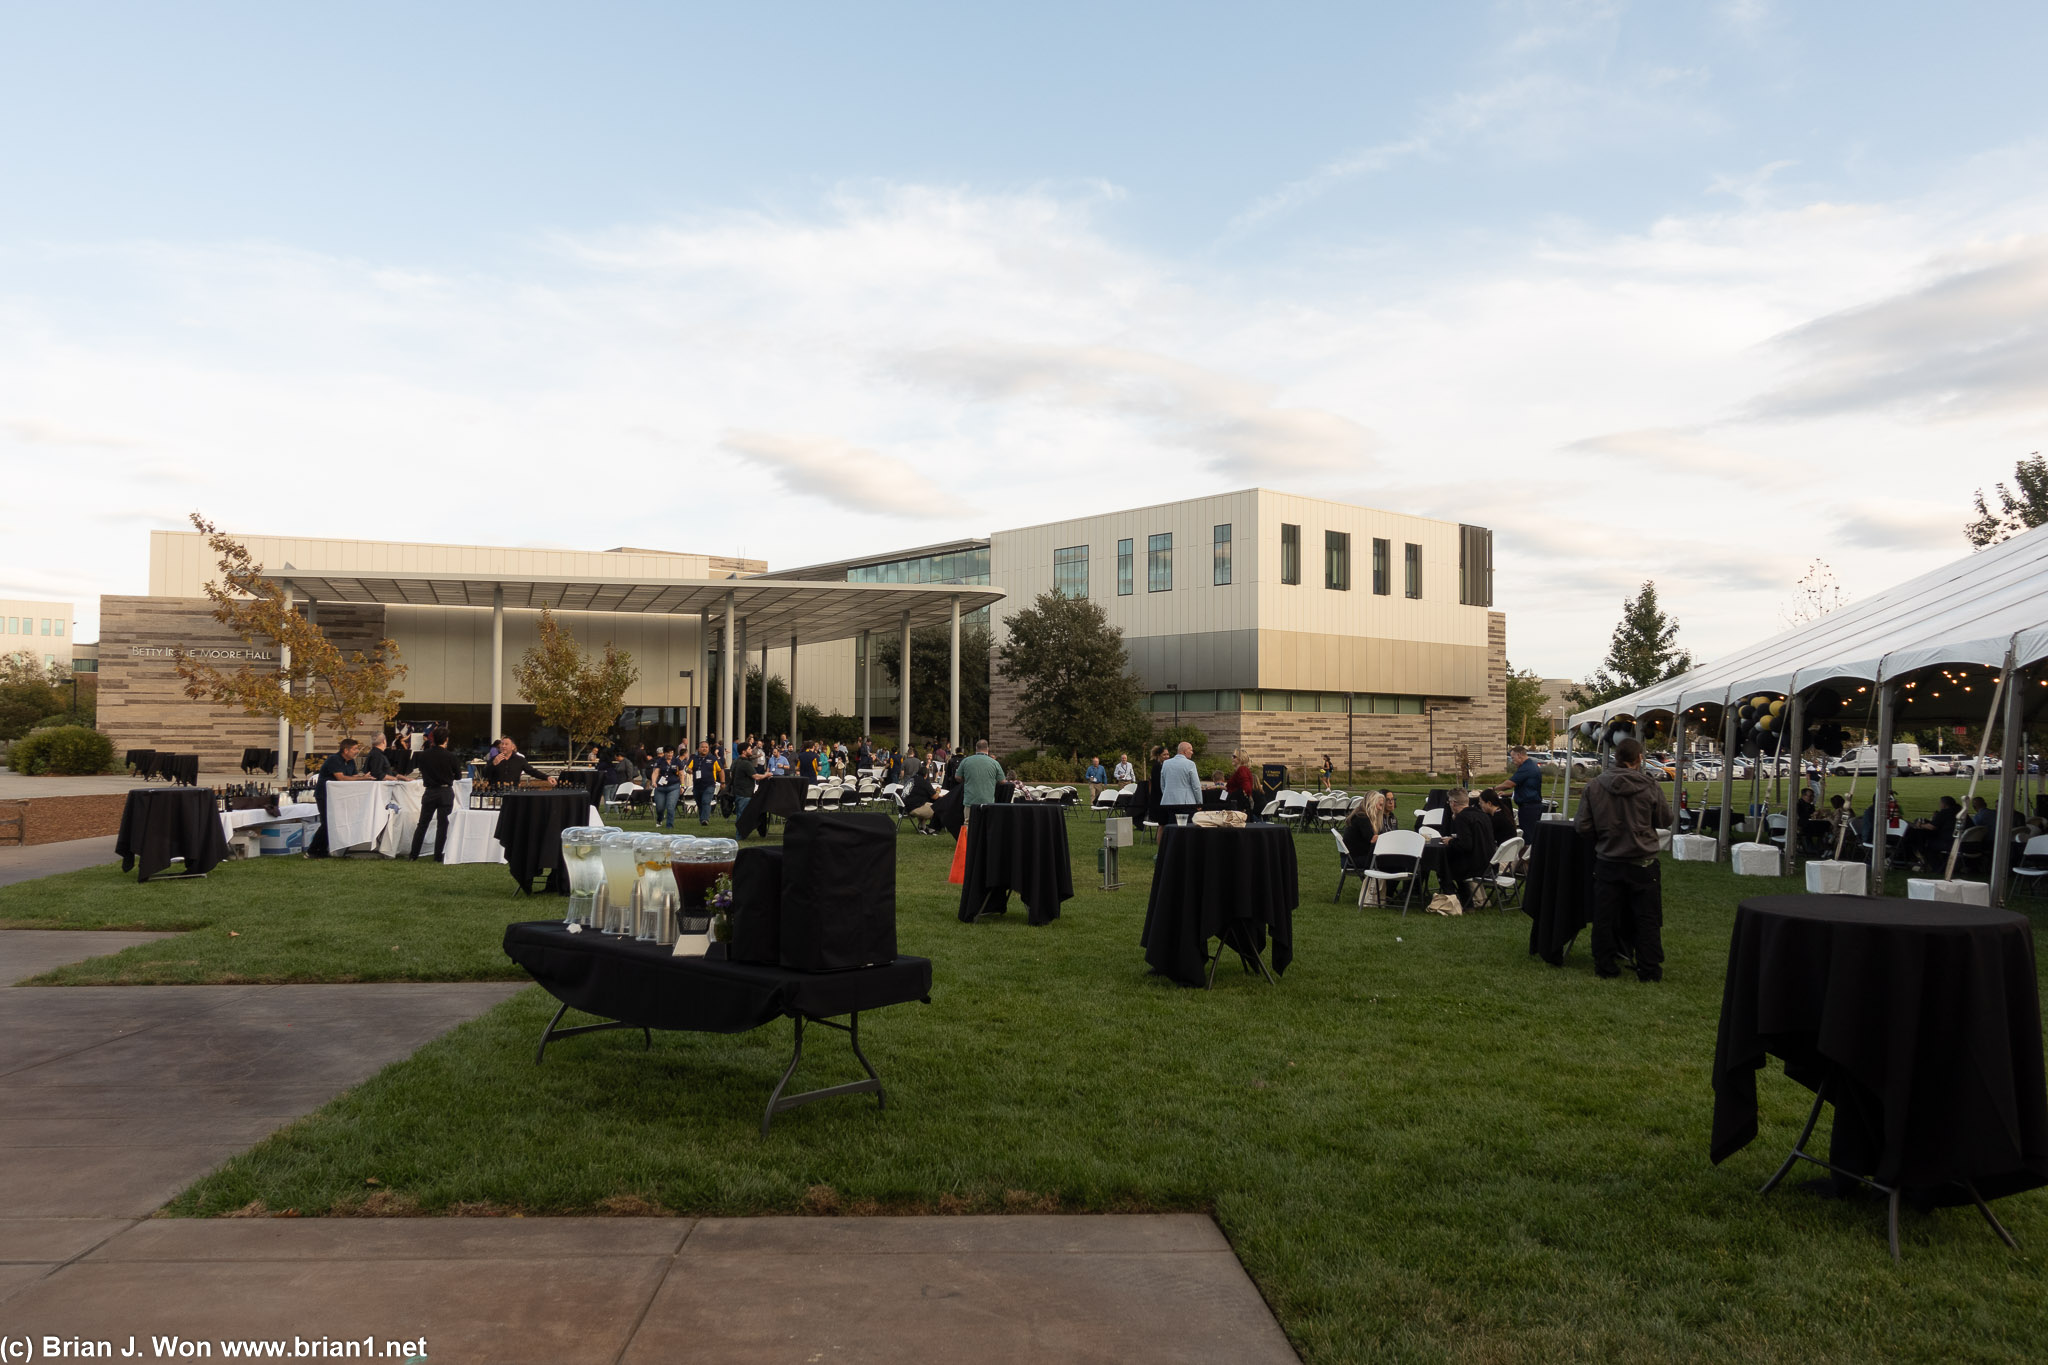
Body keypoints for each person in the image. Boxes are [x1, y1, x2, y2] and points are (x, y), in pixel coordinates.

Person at [1574, 737, 1672, 982]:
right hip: (1643, 862)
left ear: (1616, 758)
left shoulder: (1594, 786)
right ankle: (1649, 968)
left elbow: (1582, 825)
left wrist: (1604, 836)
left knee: (1604, 917)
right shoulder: (1650, 786)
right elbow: (1665, 820)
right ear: (1639, 758)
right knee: (1647, 918)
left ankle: (1605, 964)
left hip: (1609, 861)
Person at [306, 738, 371, 859]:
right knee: (326, 823)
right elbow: (341, 778)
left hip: (339, 797)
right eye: (355, 749)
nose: (357, 751)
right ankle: (312, 850)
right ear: (346, 750)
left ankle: (323, 851)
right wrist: (361, 779)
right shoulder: (334, 760)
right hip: (324, 795)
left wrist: (364, 777)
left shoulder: (351, 761)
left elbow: (353, 776)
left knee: (333, 823)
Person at [1438, 788, 1498, 908]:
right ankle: (1468, 898)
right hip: (1490, 863)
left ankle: (1458, 899)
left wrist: (1451, 842)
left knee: (1443, 864)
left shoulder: (1462, 818)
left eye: (1449, 802)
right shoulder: (1482, 814)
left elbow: (1465, 845)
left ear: (1453, 803)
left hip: (1476, 866)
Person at [408, 727, 459, 861]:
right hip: (445, 791)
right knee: (442, 825)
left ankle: (413, 855)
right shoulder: (450, 756)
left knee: (423, 823)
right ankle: (438, 856)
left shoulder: (424, 755)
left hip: (430, 791)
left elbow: (421, 769)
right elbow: (458, 776)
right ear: (446, 740)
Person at [1499, 746, 1545, 847]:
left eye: (1513, 758)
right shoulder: (1530, 765)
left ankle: (1526, 861)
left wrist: (1494, 789)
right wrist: (1506, 794)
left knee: (1528, 839)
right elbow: (1526, 788)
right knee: (1529, 835)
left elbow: (1509, 784)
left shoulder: (1526, 768)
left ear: (1519, 755)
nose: (1512, 761)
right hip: (1531, 807)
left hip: (1529, 808)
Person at [1157, 741, 1203, 825]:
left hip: (1168, 802)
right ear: (1185, 751)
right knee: (1186, 830)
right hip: (1186, 803)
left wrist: (1167, 794)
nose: (1192, 752)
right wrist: (1199, 802)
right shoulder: (1190, 764)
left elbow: (1163, 784)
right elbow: (1196, 786)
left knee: (1172, 828)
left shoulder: (1166, 764)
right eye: (1191, 750)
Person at [647, 746, 682, 828]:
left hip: (674, 786)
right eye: (668, 752)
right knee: (659, 807)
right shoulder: (659, 761)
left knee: (670, 806)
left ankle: (669, 825)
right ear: (664, 753)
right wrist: (654, 782)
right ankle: (659, 819)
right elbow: (655, 772)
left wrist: (682, 785)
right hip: (660, 787)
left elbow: (681, 773)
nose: (670, 754)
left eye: (672, 752)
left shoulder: (677, 761)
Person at [686, 740, 718, 827]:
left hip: (709, 784)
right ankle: (702, 819)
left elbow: (721, 769)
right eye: (702, 747)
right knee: (700, 803)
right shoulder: (693, 758)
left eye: (706, 747)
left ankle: (705, 819)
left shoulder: (713, 759)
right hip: (697, 785)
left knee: (705, 801)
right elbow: (687, 768)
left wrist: (722, 782)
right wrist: (688, 770)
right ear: (698, 749)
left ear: (708, 749)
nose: (704, 749)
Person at [728, 741, 757, 827]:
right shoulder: (745, 763)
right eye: (749, 749)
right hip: (744, 792)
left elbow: (730, 774)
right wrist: (766, 775)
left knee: (740, 813)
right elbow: (756, 776)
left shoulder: (735, 761)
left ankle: (741, 833)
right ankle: (740, 834)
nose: (751, 750)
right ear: (744, 752)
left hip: (737, 791)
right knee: (742, 814)